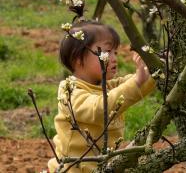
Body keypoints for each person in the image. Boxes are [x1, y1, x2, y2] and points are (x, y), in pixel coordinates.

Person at [47, 20, 155, 172]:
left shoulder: (108, 86)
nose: (114, 58)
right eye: (106, 52)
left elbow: (131, 84)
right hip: (73, 170)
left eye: (115, 52)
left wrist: (157, 69)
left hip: (102, 166)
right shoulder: (69, 90)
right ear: (77, 59)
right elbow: (98, 109)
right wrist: (137, 81)